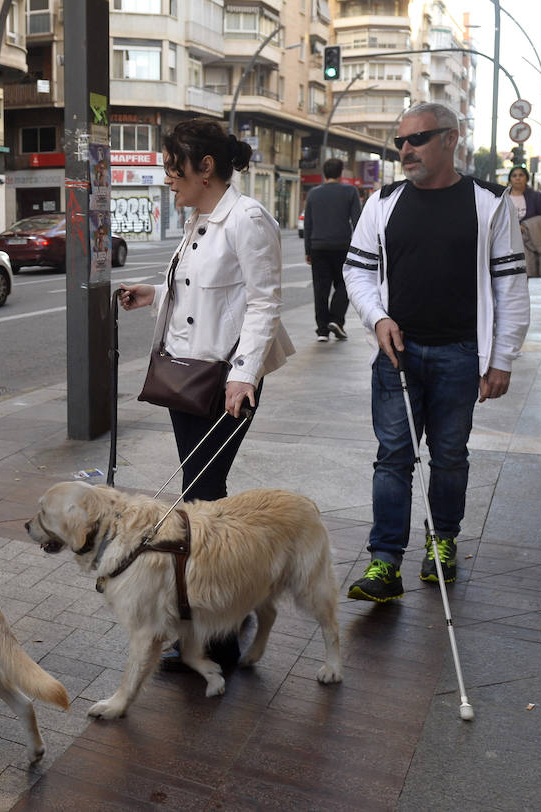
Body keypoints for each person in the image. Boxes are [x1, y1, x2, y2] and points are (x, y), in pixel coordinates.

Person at [117, 118, 294, 671]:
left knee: (204, 498)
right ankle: (224, 617)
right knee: (204, 498)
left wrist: (244, 376)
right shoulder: (199, 219)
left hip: (223, 381)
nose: (168, 178)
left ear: (206, 167)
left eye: (174, 167)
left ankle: (219, 633)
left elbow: (264, 303)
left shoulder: (247, 219)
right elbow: (199, 291)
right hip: (187, 375)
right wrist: (152, 293)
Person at [342, 102, 530, 602]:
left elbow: (510, 285)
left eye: (418, 138)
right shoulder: (382, 202)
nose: (406, 149)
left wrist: (502, 358)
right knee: (392, 458)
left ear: (451, 139)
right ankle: (385, 561)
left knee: (449, 457)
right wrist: (377, 318)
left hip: (460, 354)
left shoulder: (489, 203)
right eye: (400, 141)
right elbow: (357, 270)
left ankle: (442, 541)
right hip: (397, 354)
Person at [303, 158, 362, 342]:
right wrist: (360, 247)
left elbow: (308, 224)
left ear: (324, 173)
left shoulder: (313, 193)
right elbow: (358, 221)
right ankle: (336, 319)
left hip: (318, 247)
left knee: (320, 289)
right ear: (341, 173)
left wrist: (308, 250)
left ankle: (322, 331)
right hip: (342, 246)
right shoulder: (350, 191)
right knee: (346, 283)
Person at [504, 166, 541, 280]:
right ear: (510, 179)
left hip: (528, 241)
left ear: (526, 178)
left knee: (524, 274)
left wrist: (527, 226)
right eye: (514, 176)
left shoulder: (535, 196)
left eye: (521, 175)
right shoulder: (503, 196)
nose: (517, 178)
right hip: (506, 240)